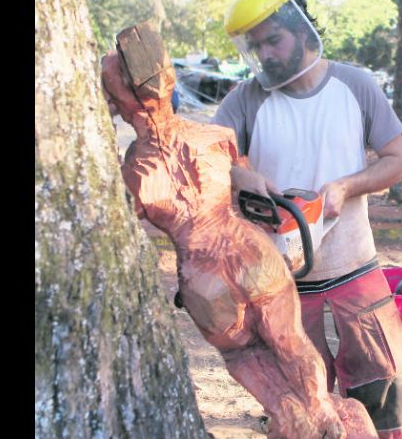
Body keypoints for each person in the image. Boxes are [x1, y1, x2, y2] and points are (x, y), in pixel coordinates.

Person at [101, 22, 376, 439]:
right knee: (293, 343)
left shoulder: (133, 173)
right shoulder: (215, 136)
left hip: (203, 278)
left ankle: (292, 414)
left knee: (247, 357)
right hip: (249, 250)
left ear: (118, 104)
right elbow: (238, 171)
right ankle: (325, 414)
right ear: (169, 78)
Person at [212, 0, 402, 439]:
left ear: (302, 31)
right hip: (279, 284)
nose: (265, 53)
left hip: (355, 267)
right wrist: (238, 173)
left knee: (385, 393)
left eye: (273, 39)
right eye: (255, 45)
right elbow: (206, 155)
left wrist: (347, 185)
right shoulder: (245, 100)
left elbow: (397, 161)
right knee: (301, 412)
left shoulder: (355, 85)